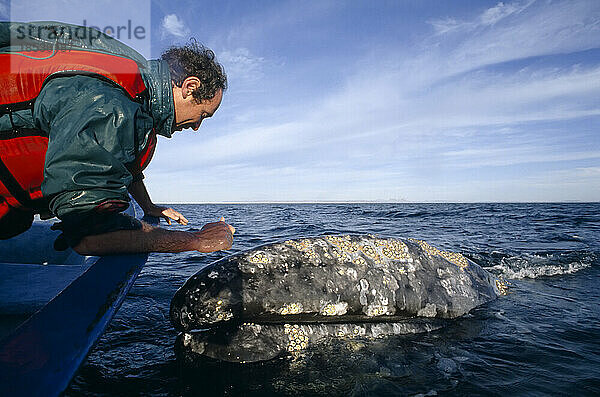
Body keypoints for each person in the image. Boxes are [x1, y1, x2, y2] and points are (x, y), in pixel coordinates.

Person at [0, 22, 234, 255]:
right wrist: (197, 240)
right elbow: (91, 236)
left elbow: (117, 159)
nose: (196, 127)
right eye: (202, 115)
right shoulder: (112, 105)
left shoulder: (134, 87)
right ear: (189, 87)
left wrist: (148, 206)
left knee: (15, 222)